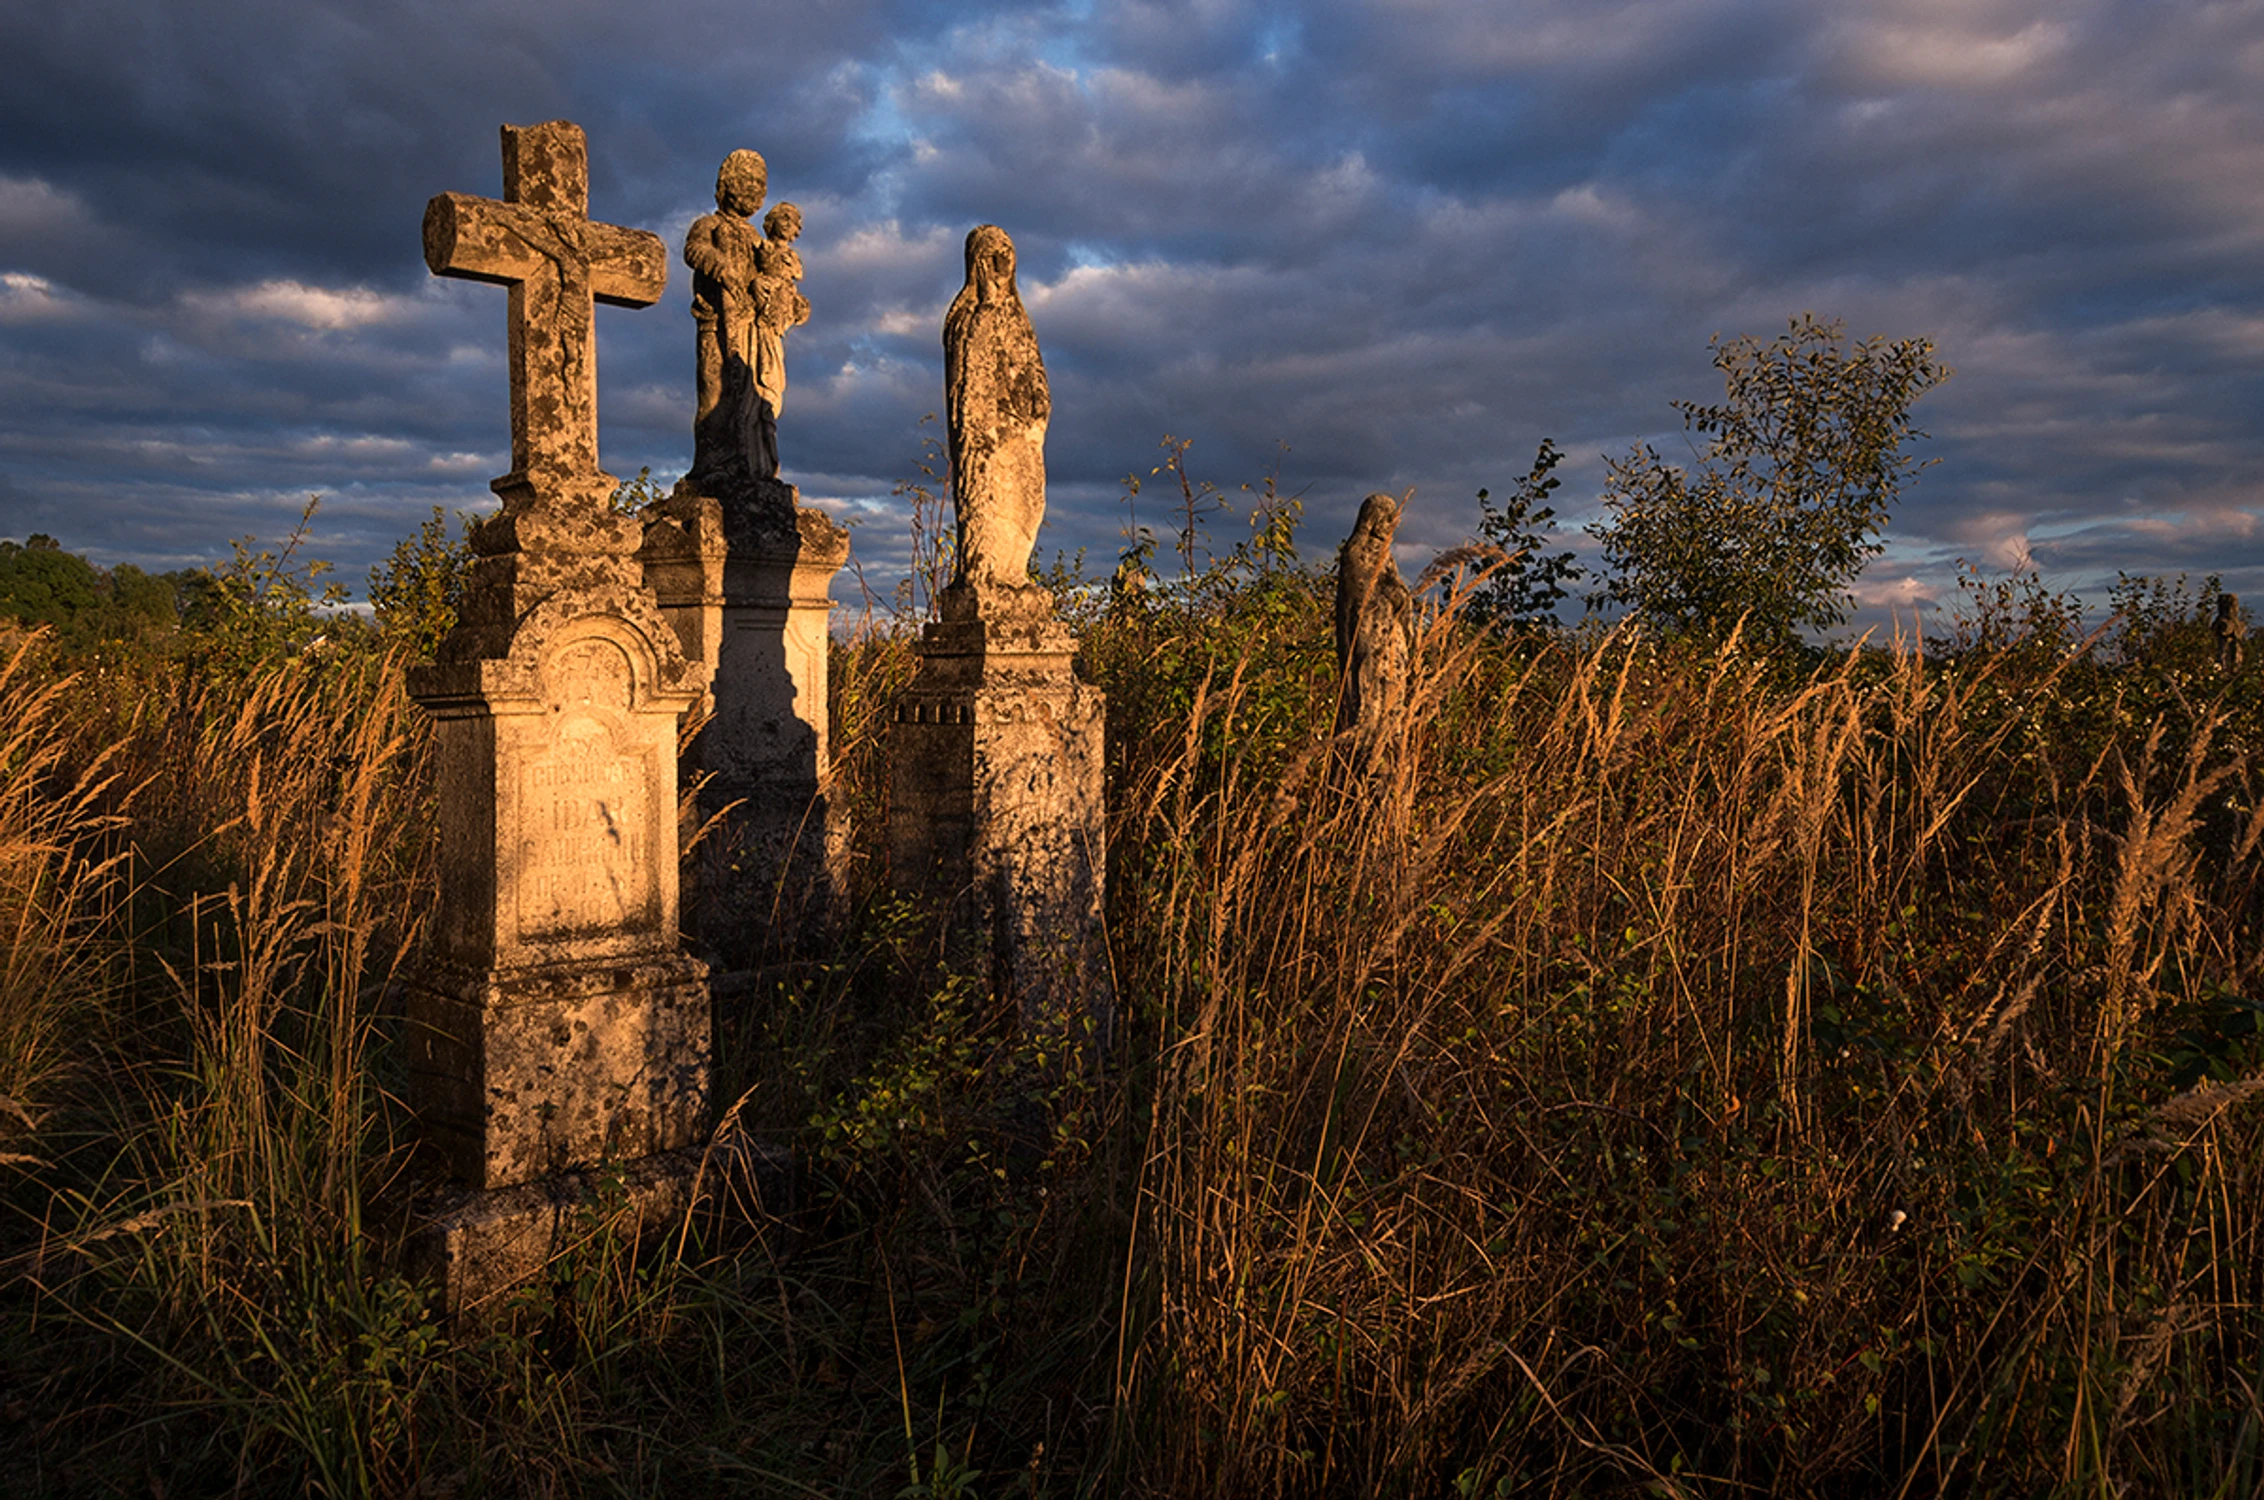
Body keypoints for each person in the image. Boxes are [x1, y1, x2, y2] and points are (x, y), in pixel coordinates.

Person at [943, 225, 1050, 598]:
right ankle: (987, 574)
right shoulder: (968, 314)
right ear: (978, 263)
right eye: (993, 254)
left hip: (1024, 433)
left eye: (1008, 253)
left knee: (1030, 503)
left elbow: (1034, 368)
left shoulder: (1019, 318)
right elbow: (969, 372)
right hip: (989, 435)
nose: (1003, 261)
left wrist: (1037, 407)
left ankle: (1014, 572)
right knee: (991, 501)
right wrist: (987, 307)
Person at [684, 150, 769, 487]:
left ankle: (751, 462)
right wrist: (722, 268)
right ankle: (712, 464)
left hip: (750, 329)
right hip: (716, 324)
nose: (755, 191)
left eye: (761, 185)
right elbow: (695, 251)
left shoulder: (754, 237)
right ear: (727, 185)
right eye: (748, 182)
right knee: (716, 393)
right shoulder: (709, 225)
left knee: (751, 395)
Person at [751, 202, 810, 477]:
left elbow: (793, 298)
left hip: (774, 330)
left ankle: (766, 459)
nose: (789, 224)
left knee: (772, 390)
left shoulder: (793, 259)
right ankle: (759, 458)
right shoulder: (759, 249)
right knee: (761, 387)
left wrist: (797, 305)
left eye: (793, 220)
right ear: (770, 222)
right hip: (760, 328)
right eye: (783, 218)